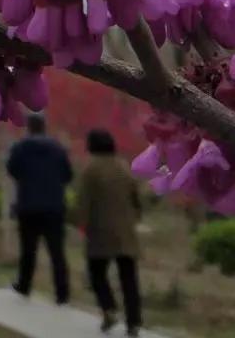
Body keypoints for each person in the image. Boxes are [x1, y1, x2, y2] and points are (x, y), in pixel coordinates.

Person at [73, 127, 143, 336]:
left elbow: (82, 204)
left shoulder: (90, 170)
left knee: (97, 274)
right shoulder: (124, 167)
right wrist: (134, 219)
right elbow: (136, 200)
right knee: (129, 278)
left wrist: (78, 223)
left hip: (100, 232)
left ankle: (108, 308)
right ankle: (134, 321)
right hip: (125, 232)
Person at [5, 112, 74, 305]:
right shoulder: (58, 149)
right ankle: (62, 292)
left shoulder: (20, 148)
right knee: (57, 252)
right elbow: (68, 175)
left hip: (28, 205)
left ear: (29, 127)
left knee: (28, 249)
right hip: (54, 207)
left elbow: (12, 170)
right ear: (44, 127)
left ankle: (24, 285)